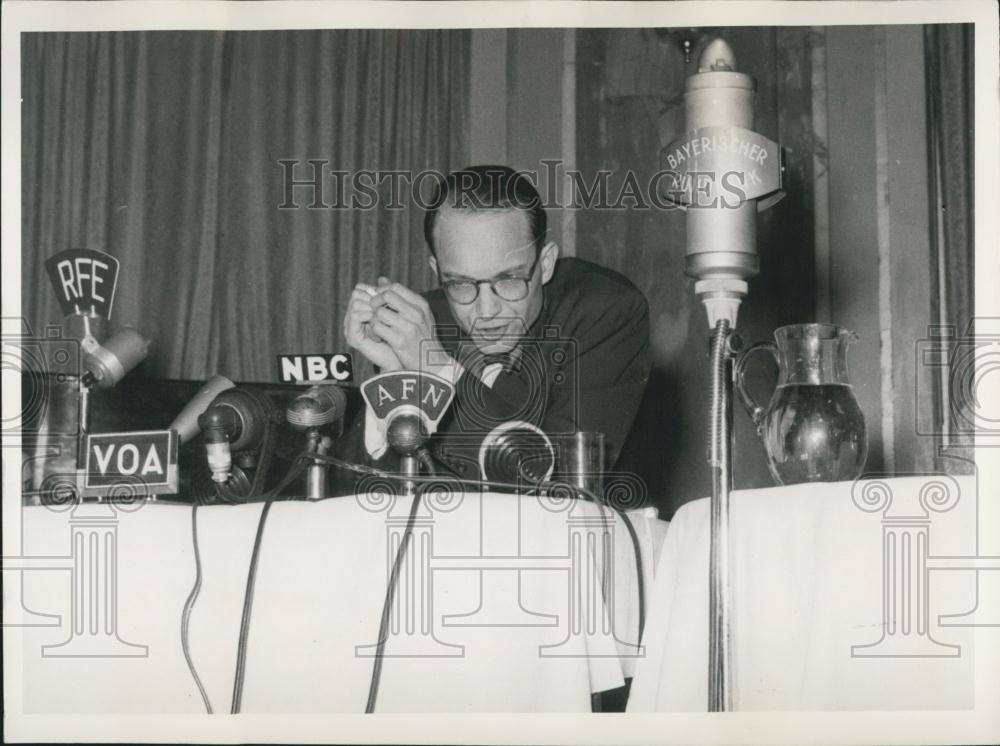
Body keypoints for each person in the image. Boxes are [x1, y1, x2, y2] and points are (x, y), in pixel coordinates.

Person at [341, 165, 650, 480]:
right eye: (461, 284)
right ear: (437, 272)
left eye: (509, 280)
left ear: (545, 264)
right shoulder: (425, 322)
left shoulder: (604, 312)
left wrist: (435, 369)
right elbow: (364, 493)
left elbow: (550, 481)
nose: (486, 311)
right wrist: (395, 376)